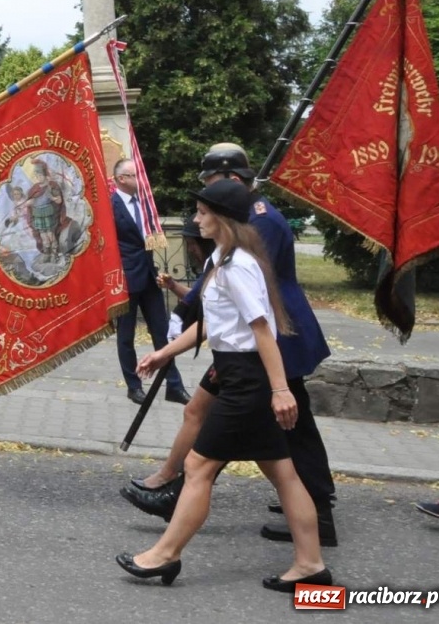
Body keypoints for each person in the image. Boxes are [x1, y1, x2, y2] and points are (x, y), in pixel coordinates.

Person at [115, 179, 329, 592]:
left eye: (202, 213)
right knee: (284, 473)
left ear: (223, 219)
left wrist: (280, 390)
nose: (196, 220)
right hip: (237, 373)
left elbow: (262, 330)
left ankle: (165, 555)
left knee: (198, 467)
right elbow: (214, 325)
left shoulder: (238, 267)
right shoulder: (223, 260)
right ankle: (310, 565)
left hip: (246, 382)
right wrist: (164, 353)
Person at [112, 158, 189, 406]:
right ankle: (134, 386)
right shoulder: (110, 205)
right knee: (126, 336)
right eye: (135, 175)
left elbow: (150, 238)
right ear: (121, 179)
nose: (141, 180)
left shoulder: (145, 204)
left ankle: (174, 385)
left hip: (149, 276)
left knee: (161, 331)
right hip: (125, 279)